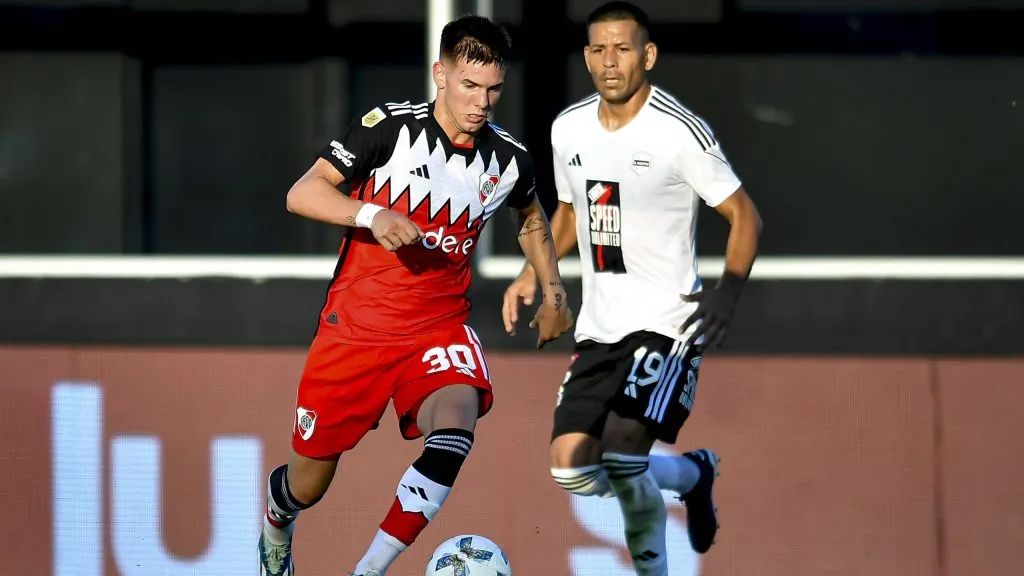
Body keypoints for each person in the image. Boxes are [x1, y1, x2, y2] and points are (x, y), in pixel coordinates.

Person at [257, 14, 573, 576]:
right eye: (469, 85)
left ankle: (369, 570)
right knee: (307, 484)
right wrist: (372, 214)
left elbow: (532, 218)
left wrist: (553, 295)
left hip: (437, 328)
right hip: (355, 330)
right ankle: (278, 523)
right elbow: (301, 193)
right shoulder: (388, 130)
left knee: (455, 430)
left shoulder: (509, 159)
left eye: (493, 88)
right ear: (440, 75)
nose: (481, 102)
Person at [502, 2, 763, 574]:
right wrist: (533, 272)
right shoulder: (567, 127)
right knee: (571, 468)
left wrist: (727, 293)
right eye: (598, 49)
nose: (608, 62)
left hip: (668, 323)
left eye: (622, 49)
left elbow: (745, 216)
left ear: (647, 55)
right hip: (602, 327)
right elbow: (568, 213)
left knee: (622, 456)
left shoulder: (678, 132)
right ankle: (694, 474)